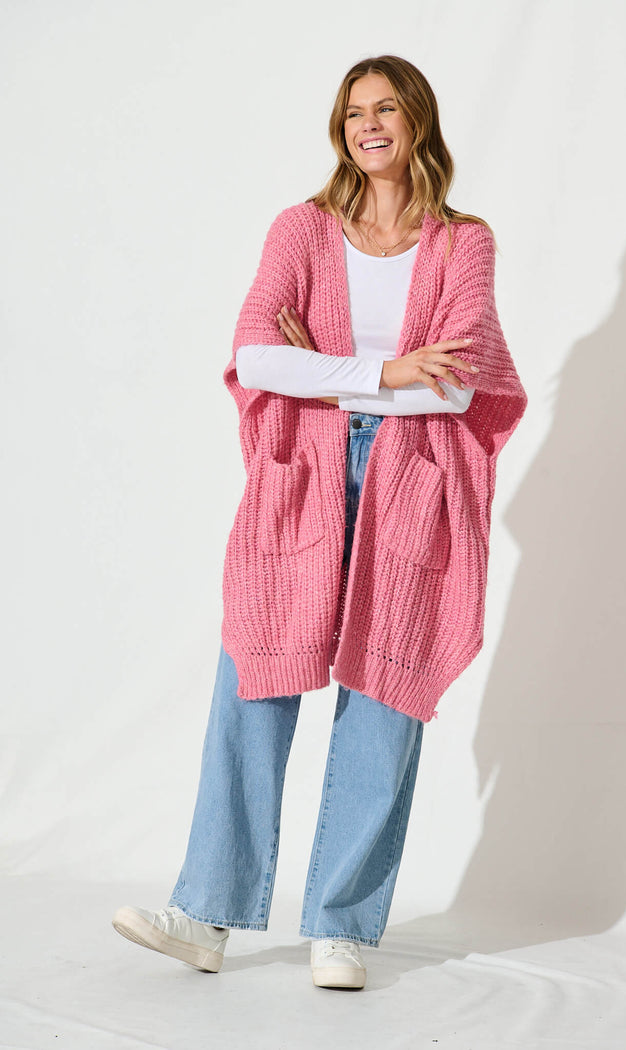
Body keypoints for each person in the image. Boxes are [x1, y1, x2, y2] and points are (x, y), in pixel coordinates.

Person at [112, 54, 527, 990]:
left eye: (384, 109)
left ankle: (342, 927)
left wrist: (330, 374)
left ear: (417, 120)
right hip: (302, 472)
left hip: (414, 482)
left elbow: (460, 386)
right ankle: (206, 914)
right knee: (254, 675)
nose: (367, 126)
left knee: (385, 689)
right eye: (351, 114)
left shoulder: (463, 243)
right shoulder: (301, 229)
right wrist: (387, 371)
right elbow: (258, 357)